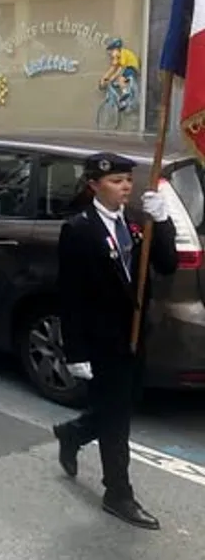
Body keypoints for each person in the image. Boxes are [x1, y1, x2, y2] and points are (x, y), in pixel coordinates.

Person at [53, 152, 177, 530]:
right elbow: (69, 296)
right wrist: (74, 351)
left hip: (134, 335)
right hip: (101, 339)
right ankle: (118, 493)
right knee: (117, 419)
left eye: (128, 180)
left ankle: (73, 432)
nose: (126, 187)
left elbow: (167, 263)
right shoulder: (79, 229)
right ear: (94, 184)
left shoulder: (138, 223)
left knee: (124, 404)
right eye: (116, 181)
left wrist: (164, 220)